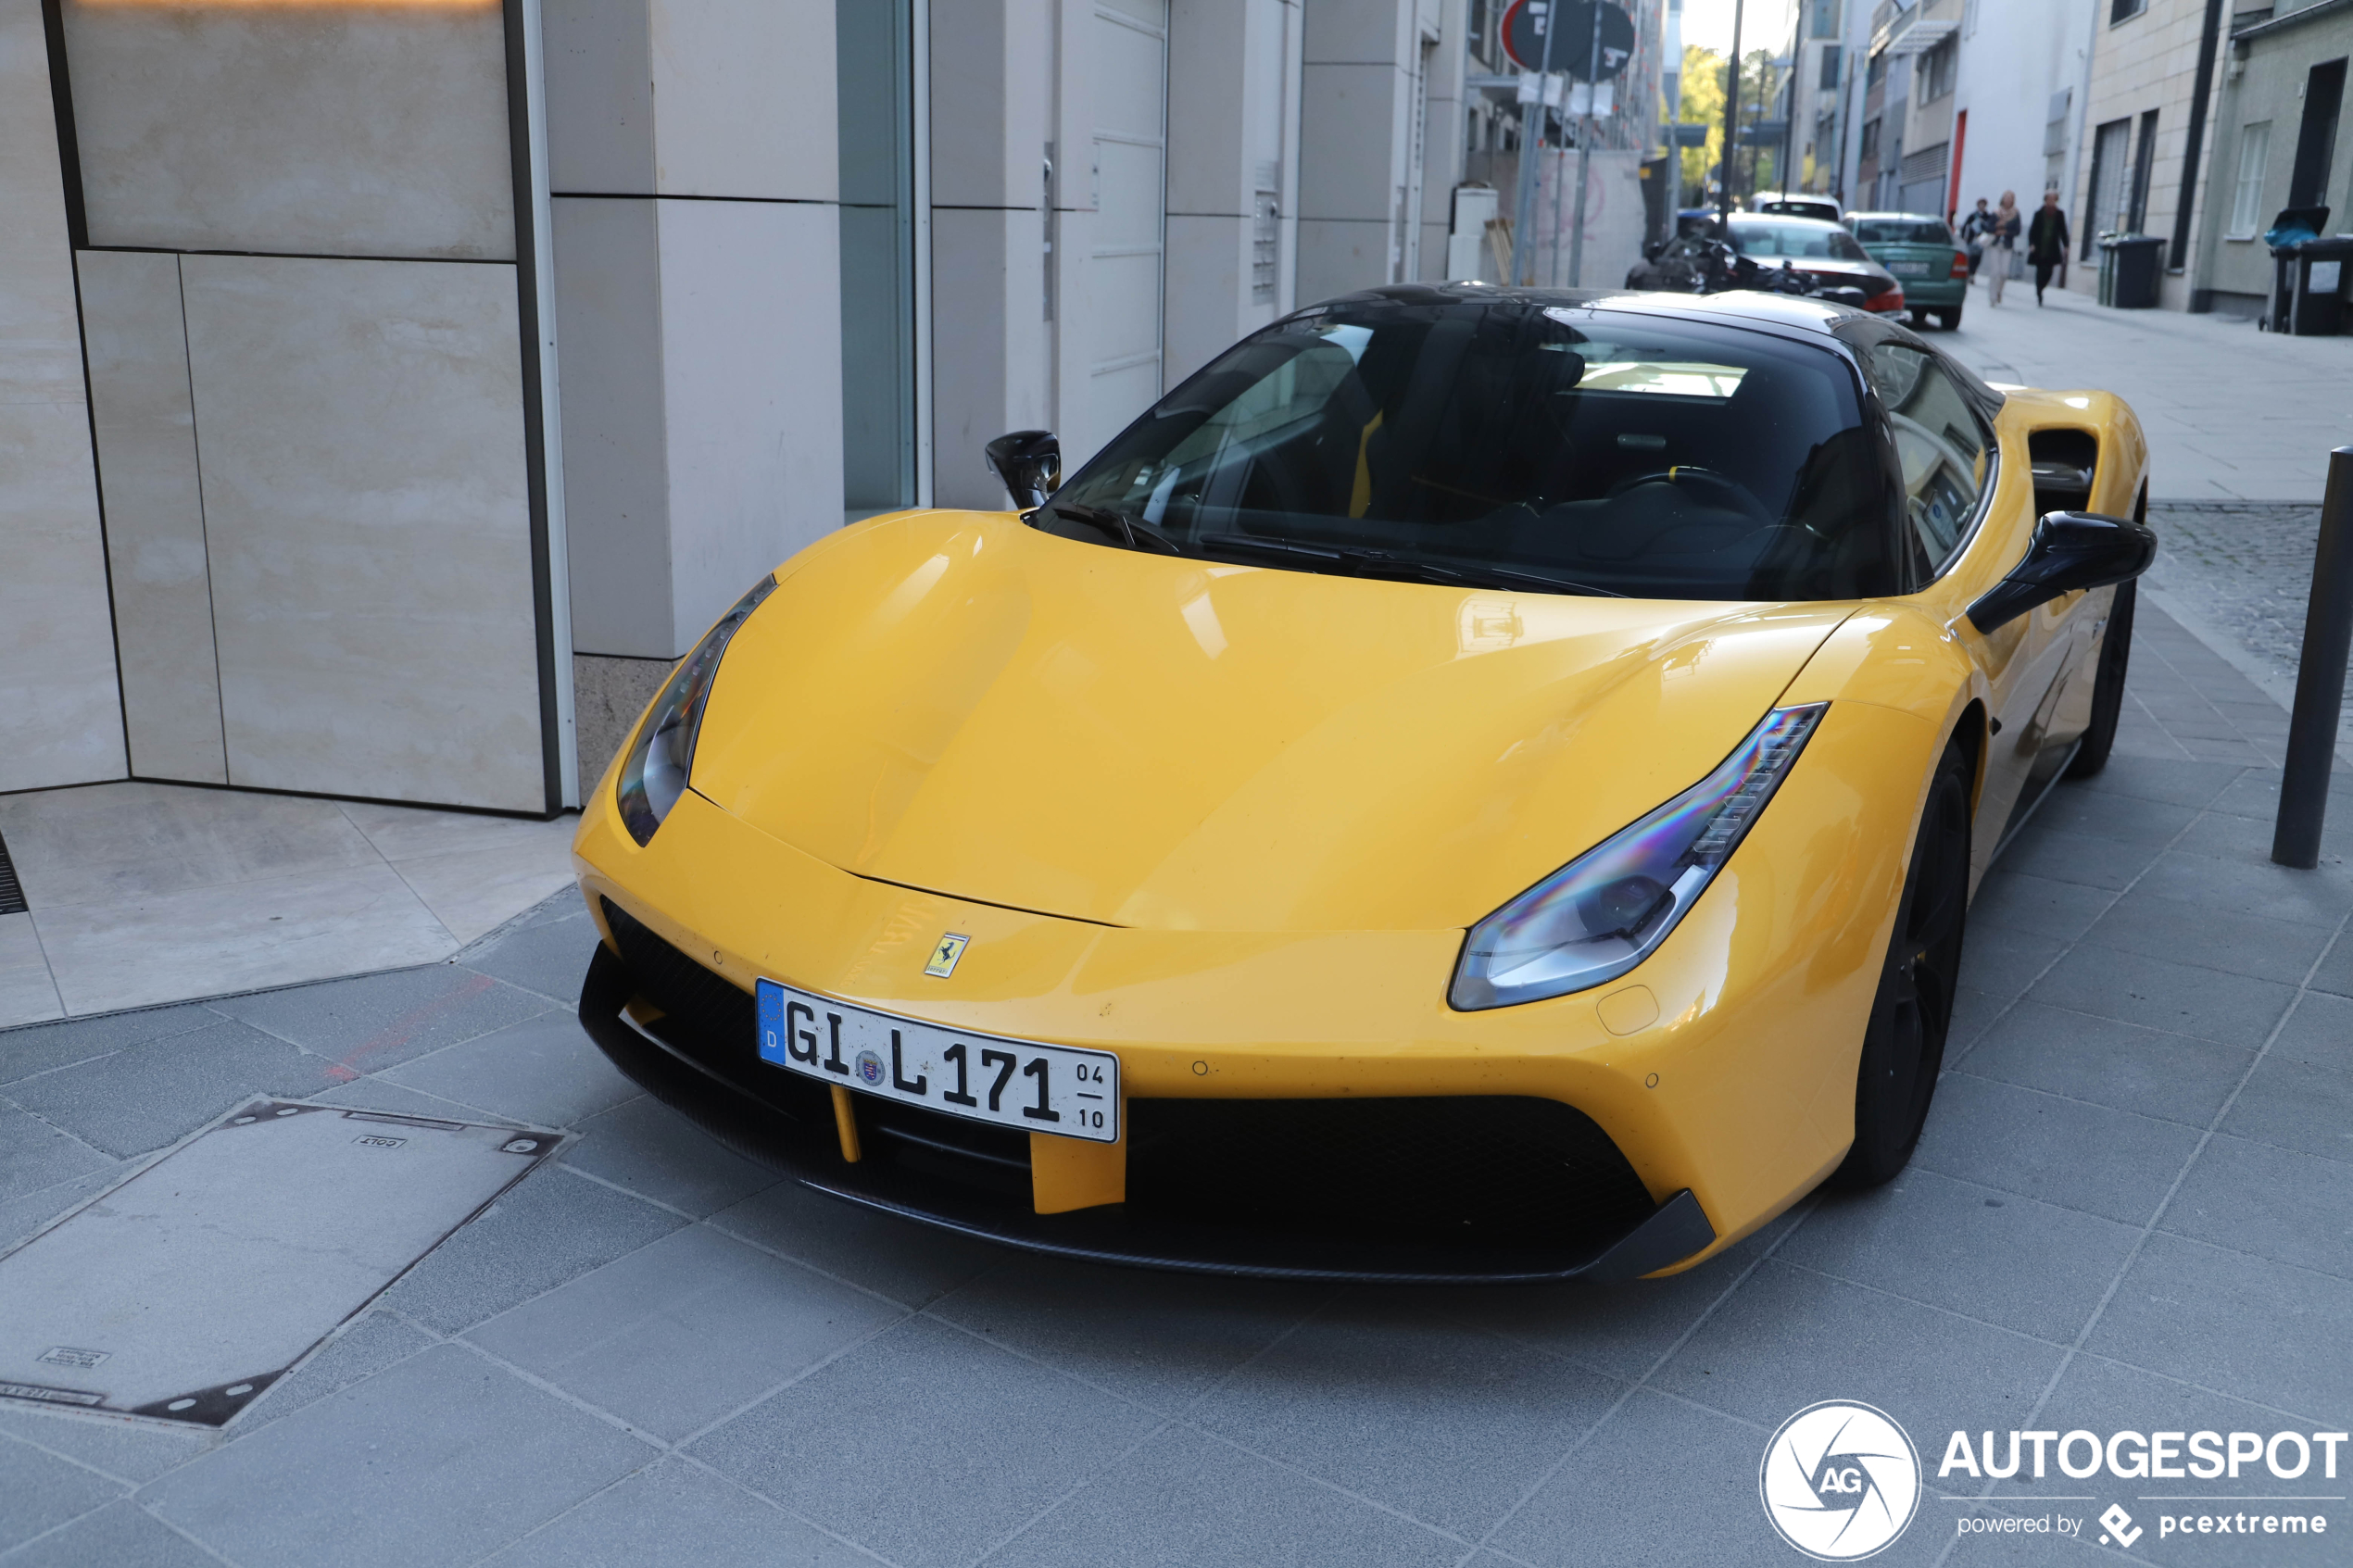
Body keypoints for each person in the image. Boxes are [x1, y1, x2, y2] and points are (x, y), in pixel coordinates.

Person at [2027, 188, 2070, 306]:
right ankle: (2039, 291)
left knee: (2049, 271)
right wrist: (2031, 244)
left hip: (2052, 247)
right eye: (2049, 198)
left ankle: (2042, 286)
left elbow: (2063, 230)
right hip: (2039, 247)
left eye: (2053, 199)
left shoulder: (2060, 214)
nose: (2051, 201)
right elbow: (2032, 230)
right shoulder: (2039, 213)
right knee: (2040, 270)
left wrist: (2066, 245)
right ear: (2045, 200)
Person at [1984, 191, 2022, 306]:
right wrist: (1996, 228)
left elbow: (2017, 230)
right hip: (1995, 244)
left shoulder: (2015, 214)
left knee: (2004, 273)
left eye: (2010, 198)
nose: (2008, 200)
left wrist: (2005, 229)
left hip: (2007, 245)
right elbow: (1988, 227)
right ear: (2002, 199)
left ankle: (1999, 291)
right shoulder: (1996, 212)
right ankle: (1992, 298)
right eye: (2006, 198)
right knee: (1994, 272)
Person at [1959, 198, 1993, 279]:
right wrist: (1963, 237)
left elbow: (1990, 228)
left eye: (1983, 204)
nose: (1982, 206)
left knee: (1978, 258)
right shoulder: (1972, 216)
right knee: (1970, 257)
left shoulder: (1988, 216)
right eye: (1980, 204)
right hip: (1971, 239)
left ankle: (1973, 273)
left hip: (1981, 239)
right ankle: (1970, 273)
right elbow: (1965, 226)